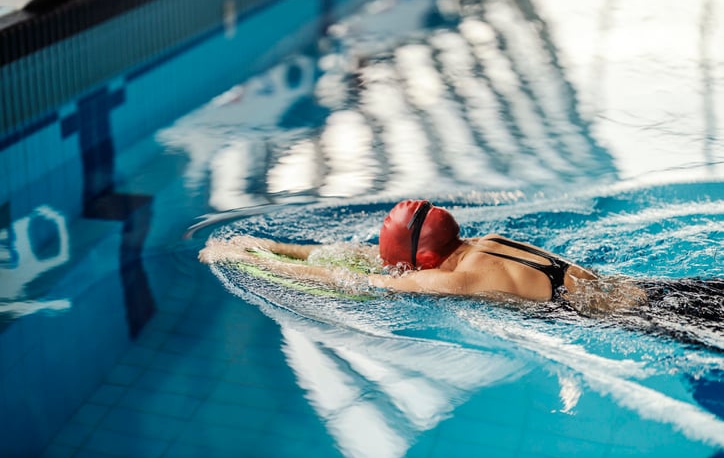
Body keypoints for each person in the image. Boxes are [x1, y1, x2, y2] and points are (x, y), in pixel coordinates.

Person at [199, 200, 721, 315]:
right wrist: (263, 244)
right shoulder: (480, 244)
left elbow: (344, 281)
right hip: (657, 286)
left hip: (649, 317)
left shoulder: (458, 281)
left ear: (423, 259)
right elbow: (340, 255)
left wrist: (255, 265)